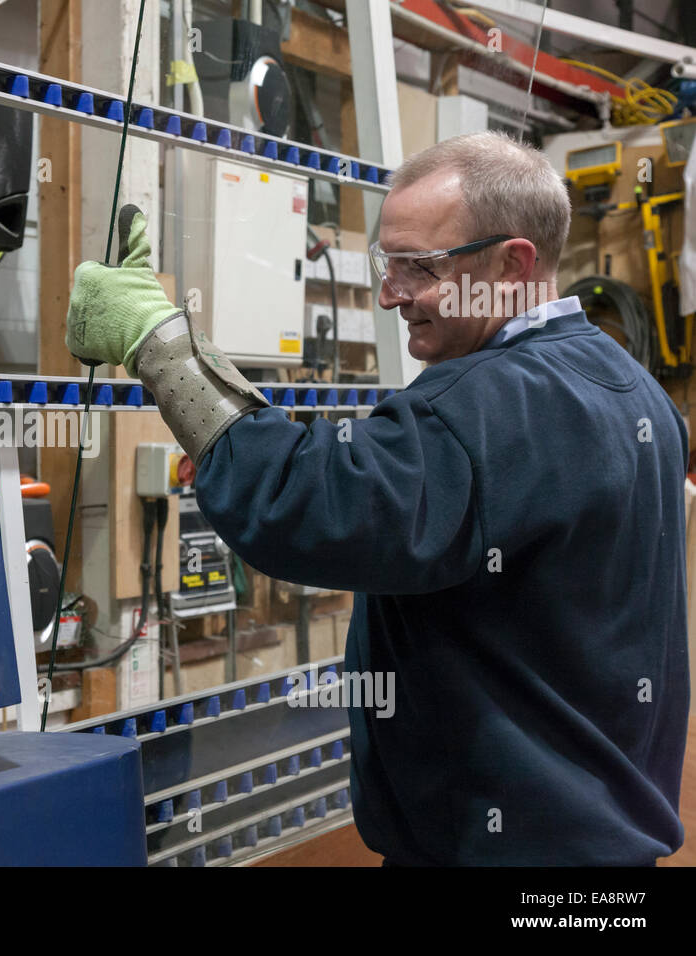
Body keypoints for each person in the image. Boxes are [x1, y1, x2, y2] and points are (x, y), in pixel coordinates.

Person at [64, 131, 688, 865]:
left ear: (513, 264)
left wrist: (160, 345)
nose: (392, 293)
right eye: (386, 264)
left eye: (419, 268)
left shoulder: (494, 403)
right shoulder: (627, 386)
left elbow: (311, 501)